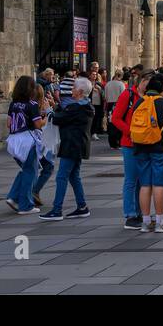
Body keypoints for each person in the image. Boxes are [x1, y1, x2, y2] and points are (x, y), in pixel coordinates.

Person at [40, 77, 94, 221]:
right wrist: (54, 107)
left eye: (74, 88)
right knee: (73, 176)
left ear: (81, 91)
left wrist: (49, 109)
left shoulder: (77, 107)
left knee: (62, 176)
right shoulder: (85, 106)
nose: (72, 90)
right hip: (78, 145)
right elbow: (66, 115)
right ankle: (82, 207)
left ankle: (57, 210)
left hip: (71, 145)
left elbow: (58, 119)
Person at [132, 73, 163, 232]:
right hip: (161, 147)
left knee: (145, 185)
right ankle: (160, 222)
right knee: (159, 185)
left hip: (141, 147)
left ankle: (145, 222)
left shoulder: (139, 102)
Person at [4, 75, 46, 214]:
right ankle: (25, 205)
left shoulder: (13, 104)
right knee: (31, 172)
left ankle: (13, 197)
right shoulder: (32, 105)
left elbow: (8, 123)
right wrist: (47, 118)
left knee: (26, 170)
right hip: (27, 140)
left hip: (13, 140)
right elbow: (38, 124)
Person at [109, 72, 146, 228]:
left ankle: (140, 212)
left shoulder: (149, 97)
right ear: (141, 81)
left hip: (145, 143)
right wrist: (130, 132)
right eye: (147, 81)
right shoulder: (128, 95)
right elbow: (116, 118)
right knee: (131, 179)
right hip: (130, 143)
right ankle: (130, 214)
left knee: (141, 181)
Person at [104, 70, 126, 147]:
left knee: (110, 123)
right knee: (119, 122)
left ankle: (112, 142)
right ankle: (119, 141)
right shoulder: (121, 84)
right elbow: (123, 96)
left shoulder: (108, 84)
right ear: (121, 76)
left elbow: (105, 96)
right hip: (118, 104)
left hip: (109, 104)